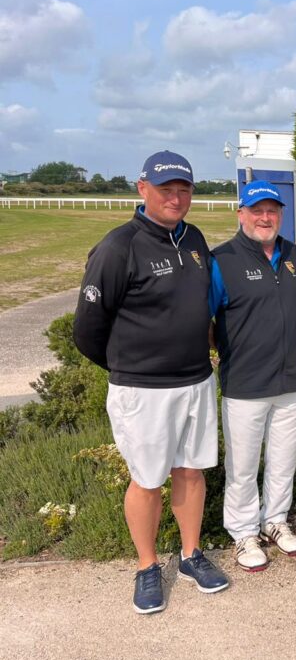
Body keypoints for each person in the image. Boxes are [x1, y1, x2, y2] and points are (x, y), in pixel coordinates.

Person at [73, 151, 227, 614]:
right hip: (142, 390)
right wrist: (130, 368)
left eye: (183, 189)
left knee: (191, 471)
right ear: (143, 189)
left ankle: (190, 555)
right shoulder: (118, 247)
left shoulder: (194, 238)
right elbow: (87, 331)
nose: (175, 198)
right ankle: (146, 566)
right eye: (166, 189)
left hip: (196, 380)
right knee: (146, 479)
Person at [209, 181, 296, 572]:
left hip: (290, 382)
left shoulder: (293, 254)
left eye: (272, 211)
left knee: (284, 460)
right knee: (243, 466)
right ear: (241, 214)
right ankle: (243, 531)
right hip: (245, 385)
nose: (265, 218)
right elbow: (203, 320)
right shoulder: (222, 260)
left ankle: (275, 520)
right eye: (256, 210)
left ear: (280, 215)